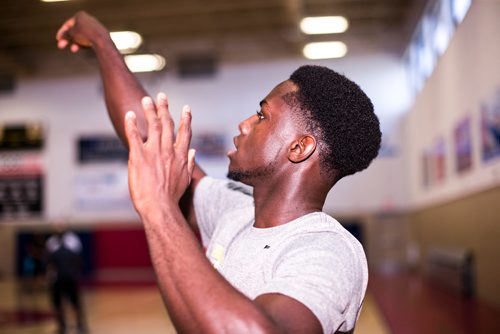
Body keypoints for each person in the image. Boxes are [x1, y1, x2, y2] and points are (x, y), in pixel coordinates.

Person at [56, 11, 381, 334]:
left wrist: (160, 209)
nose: (244, 123)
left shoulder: (326, 250)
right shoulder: (236, 211)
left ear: (299, 148)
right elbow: (148, 137)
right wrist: (103, 42)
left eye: (262, 115)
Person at [46, 225, 87, 334]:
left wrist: (76, 273)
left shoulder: (73, 241)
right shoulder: (51, 242)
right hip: (57, 279)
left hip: (70, 278)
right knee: (58, 303)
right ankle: (62, 326)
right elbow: (48, 262)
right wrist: (49, 275)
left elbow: (78, 260)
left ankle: (80, 324)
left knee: (75, 302)